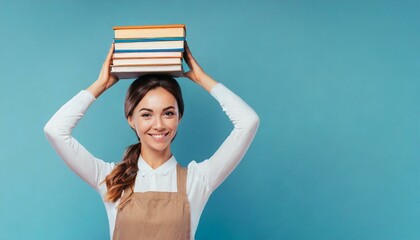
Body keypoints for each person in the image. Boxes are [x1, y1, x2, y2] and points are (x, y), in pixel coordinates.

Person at [44, 42, 260, 239]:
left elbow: (248, 121)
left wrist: (202, 79)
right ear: (131, 119)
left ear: (179, 117)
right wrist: (100, 85)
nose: (159, 125)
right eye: (146, 114)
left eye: (168, 113)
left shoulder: (198, 180)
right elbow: (55, 130)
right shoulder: (111, 180)